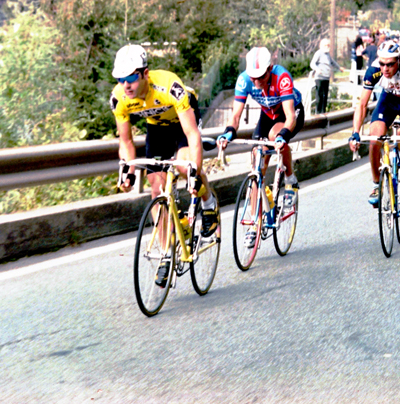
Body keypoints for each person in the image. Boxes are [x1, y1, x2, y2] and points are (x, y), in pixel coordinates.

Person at [111, 44, 218, 285]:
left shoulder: (170, 86)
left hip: (183, 122)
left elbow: (192, 135)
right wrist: (127, 171)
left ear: (145, 73)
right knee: (156, 188)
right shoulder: (119, 97)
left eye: (131, 78)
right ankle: (166, 254)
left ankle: (208, 202)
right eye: (120, 78)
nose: (125, 84)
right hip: (157, 127)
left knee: (184, 166)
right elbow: (126, 141)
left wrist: (193, 173)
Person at [217, 46, 304, 241]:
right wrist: (228, 132)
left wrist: (282, 135)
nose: (256, 82)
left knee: (275, 136)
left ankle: (290, 179)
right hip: (267, 114)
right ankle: (254, 221)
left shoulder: (282, 77)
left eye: (260, 77)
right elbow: (236, 116)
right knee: (257, 162)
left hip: (290, 113)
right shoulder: (244, 80)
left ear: (270, 69)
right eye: (252, 77)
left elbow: (290, 117)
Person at [348, 41, 400, 228]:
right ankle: (377, 185)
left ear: (399, 60)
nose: (385, 68)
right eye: (382, 63)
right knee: (375, 137)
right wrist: (355, 132)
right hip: (389, 102)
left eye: (390, 64)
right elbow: (361, 105)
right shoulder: (374, 70)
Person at [310, 38, 343, 114]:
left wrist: (339, 67)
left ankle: (323, 113)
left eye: (328, 45)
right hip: (319, 78)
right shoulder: (318, 53)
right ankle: (318, 113)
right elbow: (312, 64)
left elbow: (332, 62)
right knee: (319, 97)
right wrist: (317, 69)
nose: (327, 47)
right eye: (325, 45)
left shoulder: (327, 54)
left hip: (326, 78)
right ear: (321, 46)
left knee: (325, 97)